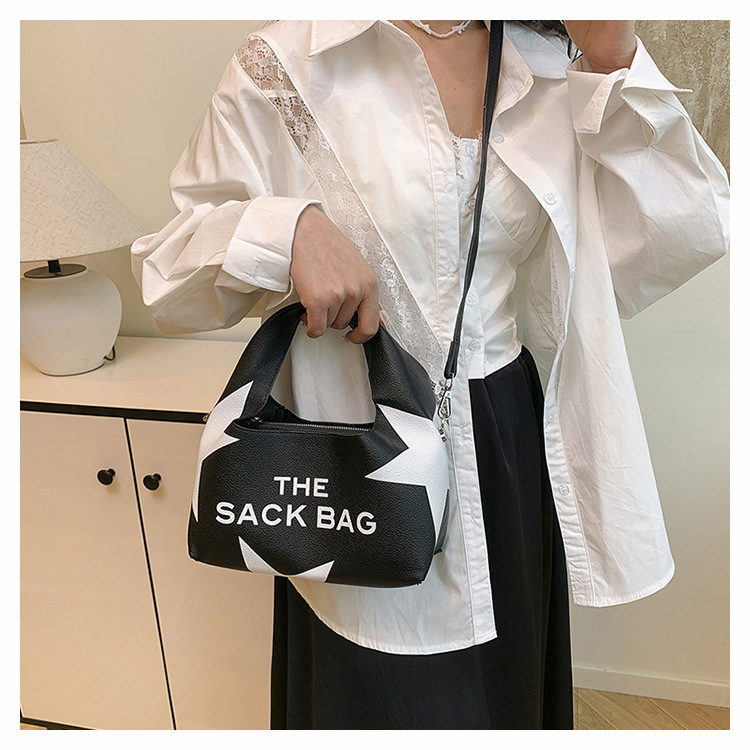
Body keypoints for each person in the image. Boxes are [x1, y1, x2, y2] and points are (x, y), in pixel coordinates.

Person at [131, 20, 729, 730]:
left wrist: (610, 58)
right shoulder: (291, 60)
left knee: (507, 690)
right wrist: (288, 231)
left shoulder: (547, 59)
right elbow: (168, 277)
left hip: (506, 435)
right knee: (378, 699)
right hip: (356, 446)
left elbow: (675, 233)